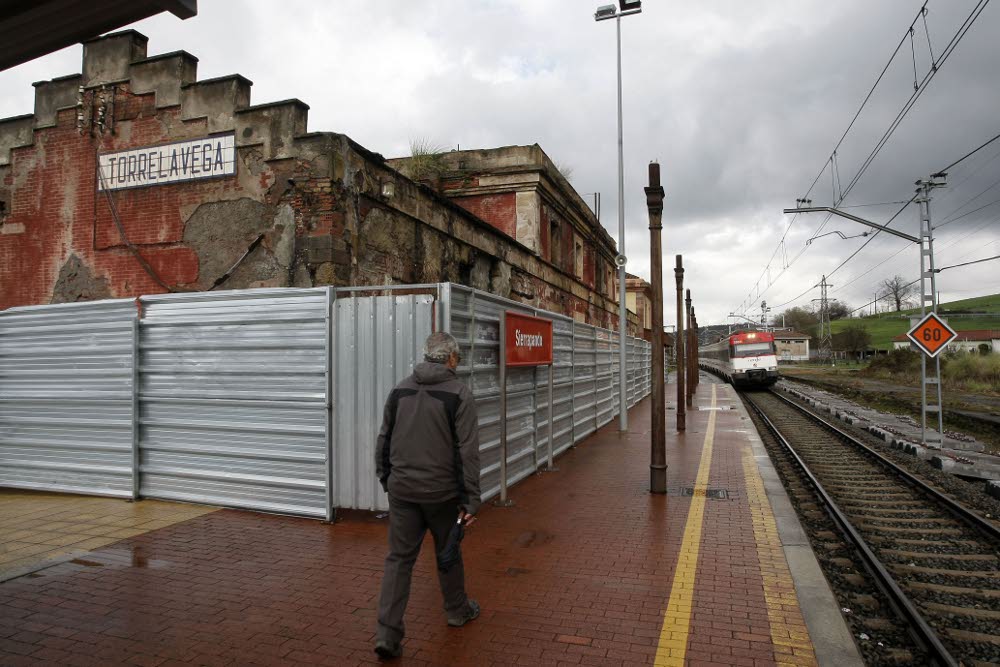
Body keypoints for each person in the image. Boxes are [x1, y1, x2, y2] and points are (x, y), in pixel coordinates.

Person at [374, 331, 482, 659]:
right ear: (450, 359)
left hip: (403, 491)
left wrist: (387, 479)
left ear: (426, 355)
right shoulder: (459, 394)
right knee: (447, 552)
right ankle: (456, 610)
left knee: (399, 560)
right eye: (457, 359)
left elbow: (384, 438)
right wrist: (471, 498)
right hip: (442, 494)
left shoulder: (400, 389)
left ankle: (387, 635)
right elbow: (468, 451)